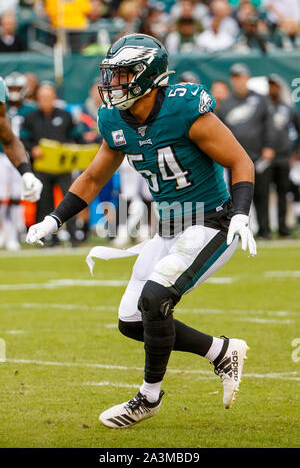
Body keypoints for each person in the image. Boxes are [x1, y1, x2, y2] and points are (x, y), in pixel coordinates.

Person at [26, 33, 256, 428]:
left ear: (146, 75)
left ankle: (148, 397)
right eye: (110, 75)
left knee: (155, 297)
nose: (112, 84)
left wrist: (240, 213)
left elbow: (240, 161)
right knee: (132, 320)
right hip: (167, 228)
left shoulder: (186, 110)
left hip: (211, 221)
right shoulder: (115, 119)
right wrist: (54, 218)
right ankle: (221, 352)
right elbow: (94, 177)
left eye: (120, 75)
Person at [21, 82, 84, 246]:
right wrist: (32, 148)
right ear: (37, 99)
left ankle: (72, 236)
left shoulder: (65, 115)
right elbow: (22, 140)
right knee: (44, 204)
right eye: (41, 98)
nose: (45, 101)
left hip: (63, 167)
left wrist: (81, 151)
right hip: (41, 167)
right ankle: (47, 238)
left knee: (69, 201)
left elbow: (78, 137)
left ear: (54, 98)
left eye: (48, 97)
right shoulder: (30, 118)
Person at [218, 63, 275, 239]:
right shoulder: (226, 104)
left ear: (247, 77)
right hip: (234, 159)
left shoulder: (261, 99)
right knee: (237, 196)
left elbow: (269, 124)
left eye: (240, 77)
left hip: (257, 156)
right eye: (235, 78)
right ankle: (239, 231)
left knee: (261, 194)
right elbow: (219, 131)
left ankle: (265, 230)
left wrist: (269, 145)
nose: (238, 81)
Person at [0, 76, 42, 248]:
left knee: (13, 197)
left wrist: (26, 172)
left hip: (10, 157)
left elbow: (8, 139)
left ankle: (10, 233)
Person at [267, 73, 300, 237]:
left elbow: (298, 130)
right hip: (266, 158)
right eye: (270, 85)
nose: (272, 88)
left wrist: (296, 153)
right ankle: (264, 229)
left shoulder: (287, 108)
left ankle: (283, 228)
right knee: (263, 193)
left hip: (283, 157)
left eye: (275, 85)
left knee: (283, 193)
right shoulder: (263, 107)